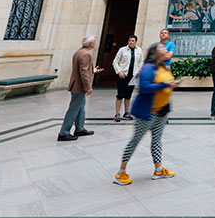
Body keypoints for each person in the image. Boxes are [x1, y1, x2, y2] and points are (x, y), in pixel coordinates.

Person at [113, 42, 181, 185]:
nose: (164, 48)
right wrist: (166, 85)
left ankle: (158, 169)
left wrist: (172, 84)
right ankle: (120, 172)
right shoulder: (148, 68)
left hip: (161, 110)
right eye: (161, 48)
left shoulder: (162, 66)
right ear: (155, 53)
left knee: (156, 140)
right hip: (147, 112)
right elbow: (145, 87)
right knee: (135, 141)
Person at [58, 35, 102, 141]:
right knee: (73, 109)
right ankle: (64, 133)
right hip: (79, 86)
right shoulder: (85, 54)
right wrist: (88, 87)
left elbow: (83, 70)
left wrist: (93, 71)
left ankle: (79, 128)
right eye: (94, 42)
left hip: (77, 85)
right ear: (90, 44)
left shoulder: (79, 52)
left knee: (80, 108)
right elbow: (83, 72)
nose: (95, 43)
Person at [113, 35, 142, 122]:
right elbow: (115, 61)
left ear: (135, 41)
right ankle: (117, 113)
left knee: (128, 95)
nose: (131, 42)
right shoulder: (122, 50)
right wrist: (119, 72)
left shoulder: (139, 50)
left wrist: (139, 71)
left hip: (132, 76)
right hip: (122, 75)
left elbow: (141, 61)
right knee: (120, 95)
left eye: (133, 41)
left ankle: (126, 112)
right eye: (129, 40)